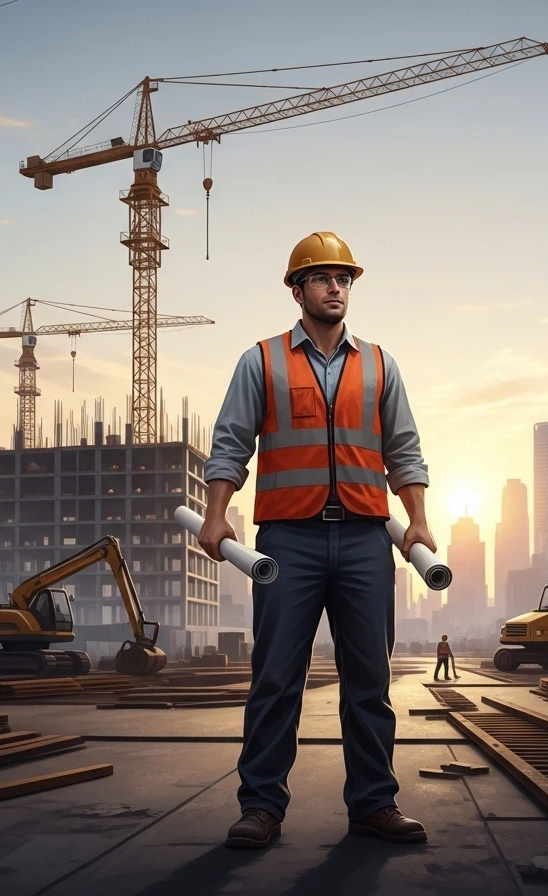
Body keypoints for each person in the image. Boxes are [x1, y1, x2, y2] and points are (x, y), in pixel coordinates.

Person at [199, 231, 436, 850]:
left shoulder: (381, 364)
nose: (337, 287)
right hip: (287, 541)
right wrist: (216, 514)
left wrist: (418, 520)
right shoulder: (263, 360)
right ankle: (261, 808)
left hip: (364, 539)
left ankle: (374, 804)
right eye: (324, 278)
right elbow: (230, 442)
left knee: (369, 680)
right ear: (297, 288)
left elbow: (403, 450)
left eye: (345, 279)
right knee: (276, 678)